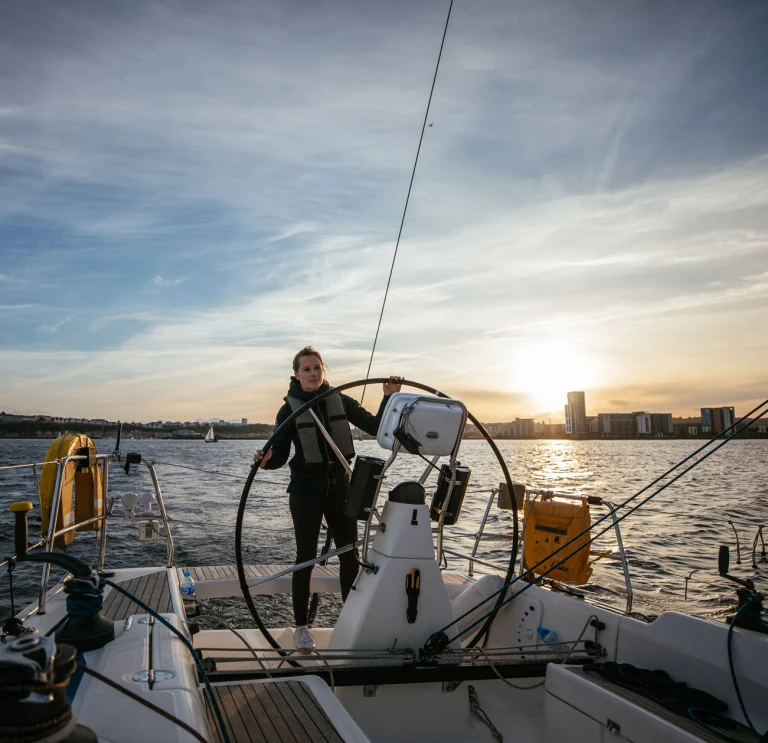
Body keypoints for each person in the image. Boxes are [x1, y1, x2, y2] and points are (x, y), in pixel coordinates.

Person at [253, 346, 402, 651]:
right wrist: (267, 459)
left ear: (324, 371)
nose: (313, 373)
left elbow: (375, 426)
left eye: (317, 368)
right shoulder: (289, 410)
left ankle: (350, 618)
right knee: (305, 558)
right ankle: (301, 627)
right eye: (306, 369)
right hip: (305, 491)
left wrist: (389, 396)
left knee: (349, 555)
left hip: (340, 487)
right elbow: (280, 453)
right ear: (296, 374)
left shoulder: (340, 400)